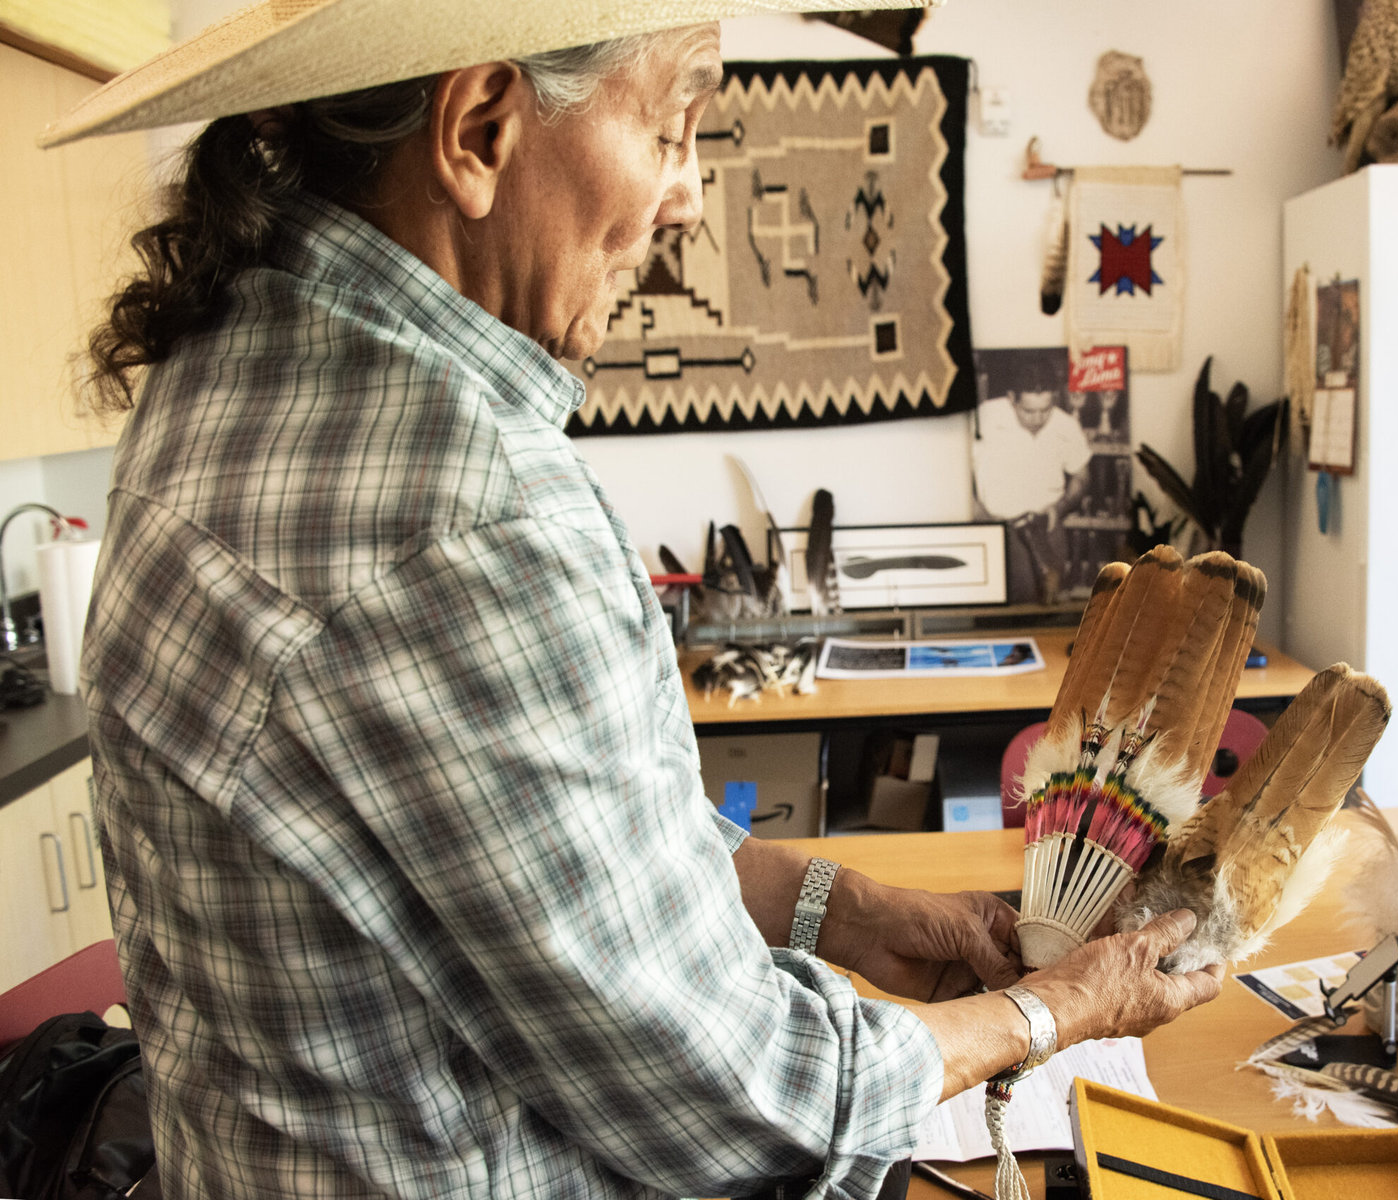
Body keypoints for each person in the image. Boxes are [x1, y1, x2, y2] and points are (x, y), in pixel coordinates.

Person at [53, 2, 1224, 1196]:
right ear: (481, 128)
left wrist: (851, 910)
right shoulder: (475, 516)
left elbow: (552, 859)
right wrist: (1057, 1010)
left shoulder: (230, 364)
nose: (688, 196)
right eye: (674, 125)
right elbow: (738, 1097)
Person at [971, 384, 1093, 604]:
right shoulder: (985, 416)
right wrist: (975, 509)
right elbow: (952, 464)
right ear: (1011, 398)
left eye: (1045, 409)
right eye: (1028, 411)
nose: (1037, 418)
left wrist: (1060, 508)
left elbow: (1082, 477)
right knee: (1003, 612)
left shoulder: (1066, 424)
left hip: (1047, 528)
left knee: (1048, 612)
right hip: (998, 528)